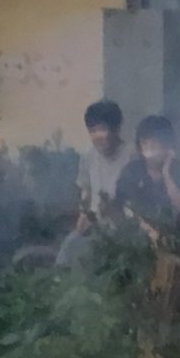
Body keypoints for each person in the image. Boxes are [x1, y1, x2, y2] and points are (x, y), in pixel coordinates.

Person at [55, 100, 134, 270]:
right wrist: (84, 213)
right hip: (95, 226)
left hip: (125, 229)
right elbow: (86, 189)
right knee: (69, 248)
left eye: (102, 129)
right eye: (92, 131)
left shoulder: (131, 155)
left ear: (116, 129)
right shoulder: (89, 156)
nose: (97, 136)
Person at [113, 114, 180, 249]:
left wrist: (167, 173)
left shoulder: (179, 170)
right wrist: (147, 229)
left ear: (167, 144)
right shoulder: (132, 171)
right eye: (144, 143)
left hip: (174, 238)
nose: (149, 148)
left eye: (155, 143)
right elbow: (124, 206)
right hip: (136, 238)